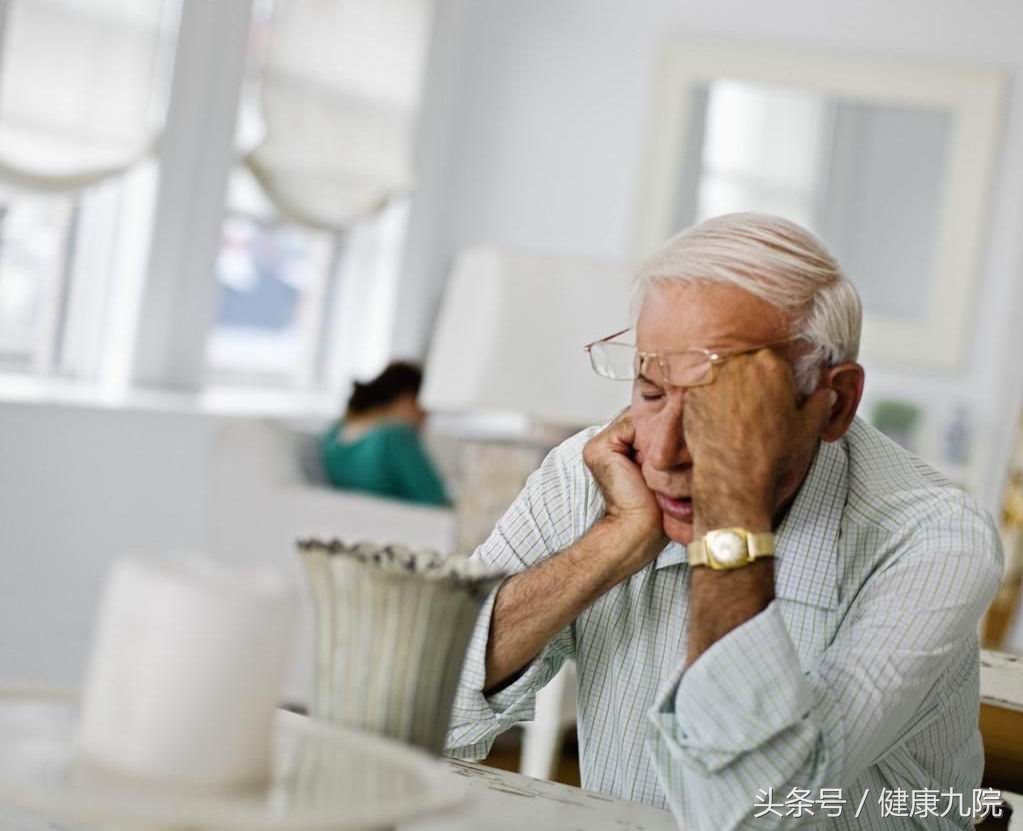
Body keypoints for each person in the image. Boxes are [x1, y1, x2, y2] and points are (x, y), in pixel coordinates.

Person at [444, 213, 1002, 829]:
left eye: (720, 407)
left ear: (834, 403)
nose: (662, 453)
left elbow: (749, 814)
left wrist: (729, 510)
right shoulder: (598, 472)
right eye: (651, 391)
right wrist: (612, 543)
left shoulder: (933, 537)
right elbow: (430, 701)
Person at [321, 362, 449, 506]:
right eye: (424, 410)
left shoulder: (334, 433)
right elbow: (434, 498)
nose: (425, 419)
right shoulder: (395, 437)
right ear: (407, 399)